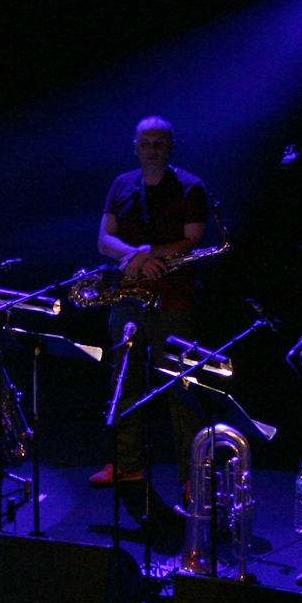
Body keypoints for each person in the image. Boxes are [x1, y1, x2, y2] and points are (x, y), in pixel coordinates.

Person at [89, 116, 211, 499]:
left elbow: (193, 240)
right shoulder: (121, 184)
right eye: (146, 143)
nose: (153, 150)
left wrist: (147, 253)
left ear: (171, 147)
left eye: (160, 143)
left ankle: (194, 475)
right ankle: (127, 464)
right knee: (123, 380)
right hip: (127, 298)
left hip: (174, 301)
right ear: (136, 147)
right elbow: (104, 240)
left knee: (181, 386)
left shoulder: (191, 186)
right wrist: (138, 257)